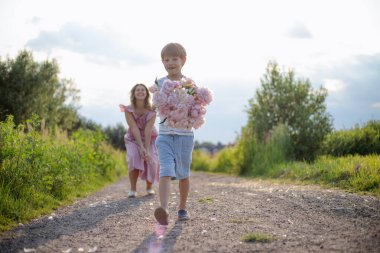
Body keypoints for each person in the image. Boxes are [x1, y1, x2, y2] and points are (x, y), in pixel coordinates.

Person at [153, 43, 195, 225]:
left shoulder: (190, 83)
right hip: (164, 135)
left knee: (183, 174)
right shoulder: (159, 83)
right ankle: (163, 208)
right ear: (162, 62)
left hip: (185, 136)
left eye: (174, 59)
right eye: (166, 59)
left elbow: (197, 106)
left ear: (183, 60)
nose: (170, 62)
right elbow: (152, 99)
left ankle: (182, 208)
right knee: (166, 170)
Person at [119, 83, 159, 198]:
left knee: (151, 160)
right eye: (138, 90)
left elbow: (148, 130)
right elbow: (134, 128)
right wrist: (140, 147)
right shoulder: (128, 109)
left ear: (146, 93)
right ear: (134, 93)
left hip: (149, 138)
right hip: (133, 138)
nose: (140, 92)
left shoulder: (152, 110)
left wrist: (145, 149)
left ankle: (149, 187)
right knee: (133, 157)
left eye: (143, 90)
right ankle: (133, 189)